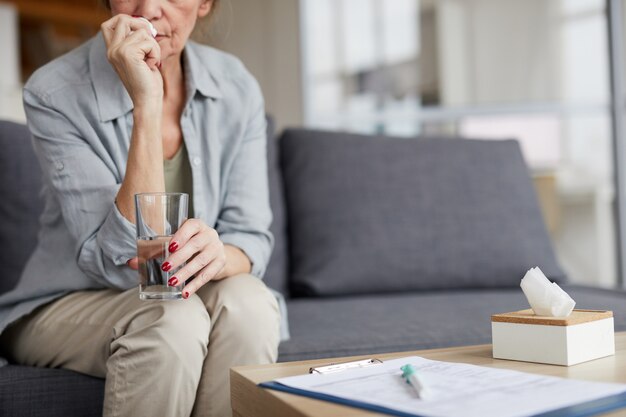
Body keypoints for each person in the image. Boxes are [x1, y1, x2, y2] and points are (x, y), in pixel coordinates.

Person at [0, 0, 281, 416]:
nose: (149, 9)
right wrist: (146, 102)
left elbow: (251, 236)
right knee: (170, 319)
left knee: (251, 304)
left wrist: (213, 256)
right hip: (68, 300)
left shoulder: (235, 85)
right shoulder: (54, 91)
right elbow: (117, 264)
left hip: (183, 297)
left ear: (204, 4)